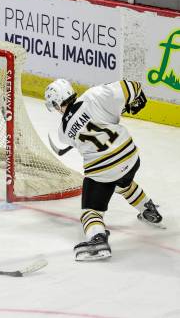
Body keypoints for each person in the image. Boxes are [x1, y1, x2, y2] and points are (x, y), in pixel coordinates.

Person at [44, 78, 165, 261]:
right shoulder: (95, 95)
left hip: (103, 169)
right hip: (130, 157)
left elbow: (80, 129)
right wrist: (137, 99)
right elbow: (131, 86)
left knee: (91, 211)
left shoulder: (63, 132)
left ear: (56, 103)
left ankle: (97, 238)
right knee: (121, 182)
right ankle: (147, 207)